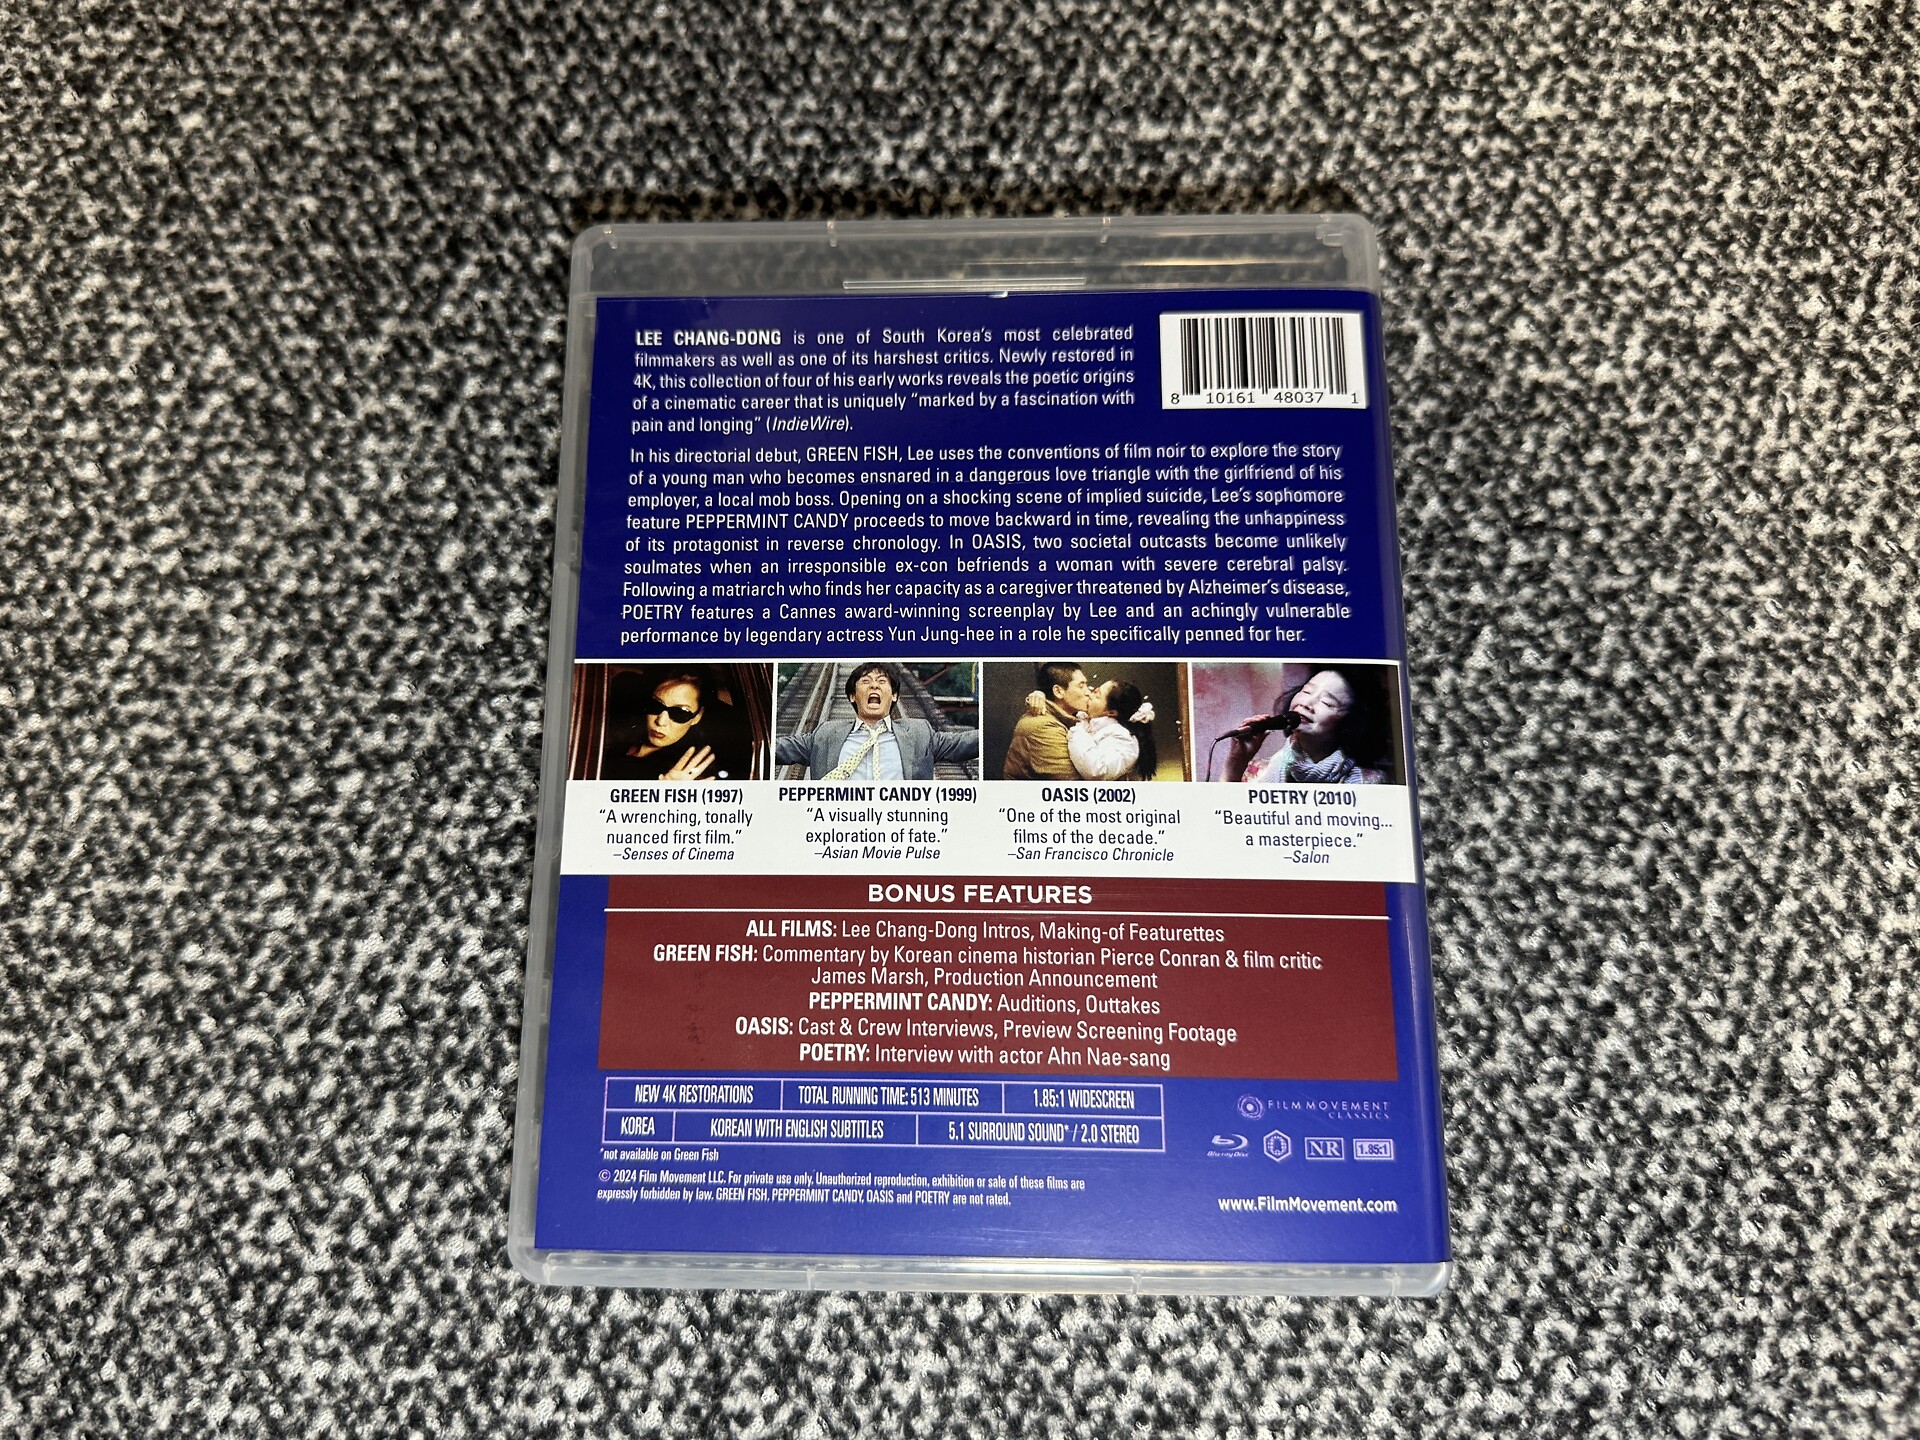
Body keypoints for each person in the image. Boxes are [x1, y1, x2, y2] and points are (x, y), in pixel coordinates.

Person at [777, 662, 979, 781]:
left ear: (894, 695)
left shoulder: (920, 733)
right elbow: (775, 749)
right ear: (852, 696)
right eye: (865, 681)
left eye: (882, 682)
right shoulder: (825, 734)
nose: (874, 686)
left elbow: (965, 744)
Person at [1222, 667, 1391, 785]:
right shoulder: (1257, 771)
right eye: (1306, 691)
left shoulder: (1371, 782)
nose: (1306, 703)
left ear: (1349, 725)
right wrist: (1236, 764)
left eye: (1327, 702)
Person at [603, 668, 748, 781]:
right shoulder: (615, 732)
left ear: (697, 716)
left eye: (680, 713)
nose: (661, 721)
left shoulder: (689, 772)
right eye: (656, 705)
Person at [1025, 677, 1159, 781]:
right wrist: (1039, 697)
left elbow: (1097, 771)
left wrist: (1077, 731)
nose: (1089, 694)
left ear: (1111, 712)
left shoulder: (1124, 739)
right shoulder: (1087, 720)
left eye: (1096, 694)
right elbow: (1058, 710)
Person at [1002, 662, 1091, 780]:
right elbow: (1073, 784)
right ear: (1058, 691)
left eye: (1086, 685)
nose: (1088, 692)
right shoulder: (1043, 727)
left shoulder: (1071, 717)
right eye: (1081, 686)